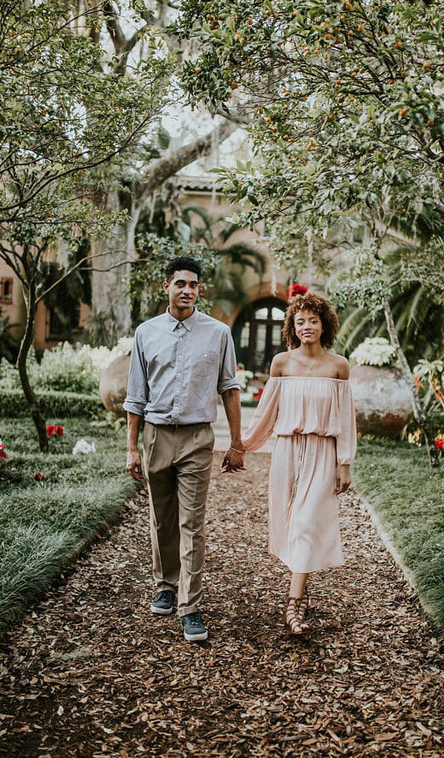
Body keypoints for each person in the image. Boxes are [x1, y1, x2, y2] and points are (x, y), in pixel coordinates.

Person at [124, 256, 244, 642]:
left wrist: (237, 443)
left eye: (193, 284)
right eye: (180, 284)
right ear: (167, 287)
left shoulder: (218, 333)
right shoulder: (146, 333)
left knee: (192, 522)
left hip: (197, 438)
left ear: (200, 289)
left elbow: (229, 388)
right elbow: (135, 398)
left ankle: (190, 606)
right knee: (162, 518)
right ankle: (165, 584)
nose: (187, 290)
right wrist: (132, 449)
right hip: (156, 436)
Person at [241, 292, 357, 634]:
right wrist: (242, 446)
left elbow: (345, 418)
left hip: (323, 452)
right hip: (287, 452)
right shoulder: (282, 363)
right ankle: (301, 590)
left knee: (307, 521)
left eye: (313, 320)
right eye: (300, 321)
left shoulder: (338, 366)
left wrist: (344, 462)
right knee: (291, 522)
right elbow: (266, 414)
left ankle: (293, 605)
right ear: (292, 326)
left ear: (325, 325)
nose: (307, 327)